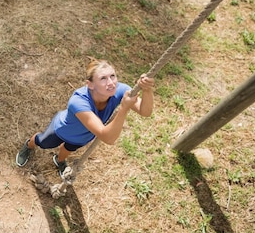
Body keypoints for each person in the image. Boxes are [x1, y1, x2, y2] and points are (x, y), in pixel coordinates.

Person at [15, 59, 155, 177]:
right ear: (90, 84)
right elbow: (109, 138)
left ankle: (59, 160)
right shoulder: (78, 102)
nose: (111, 83)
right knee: (43, 142)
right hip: (61, 130)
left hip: (83, 137)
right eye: (103, 79)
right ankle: (28, 145)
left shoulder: (120, 89)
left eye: (112, 76)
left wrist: (147, 90)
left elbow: (145, 112)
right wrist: (124, 108)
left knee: (69, 149)